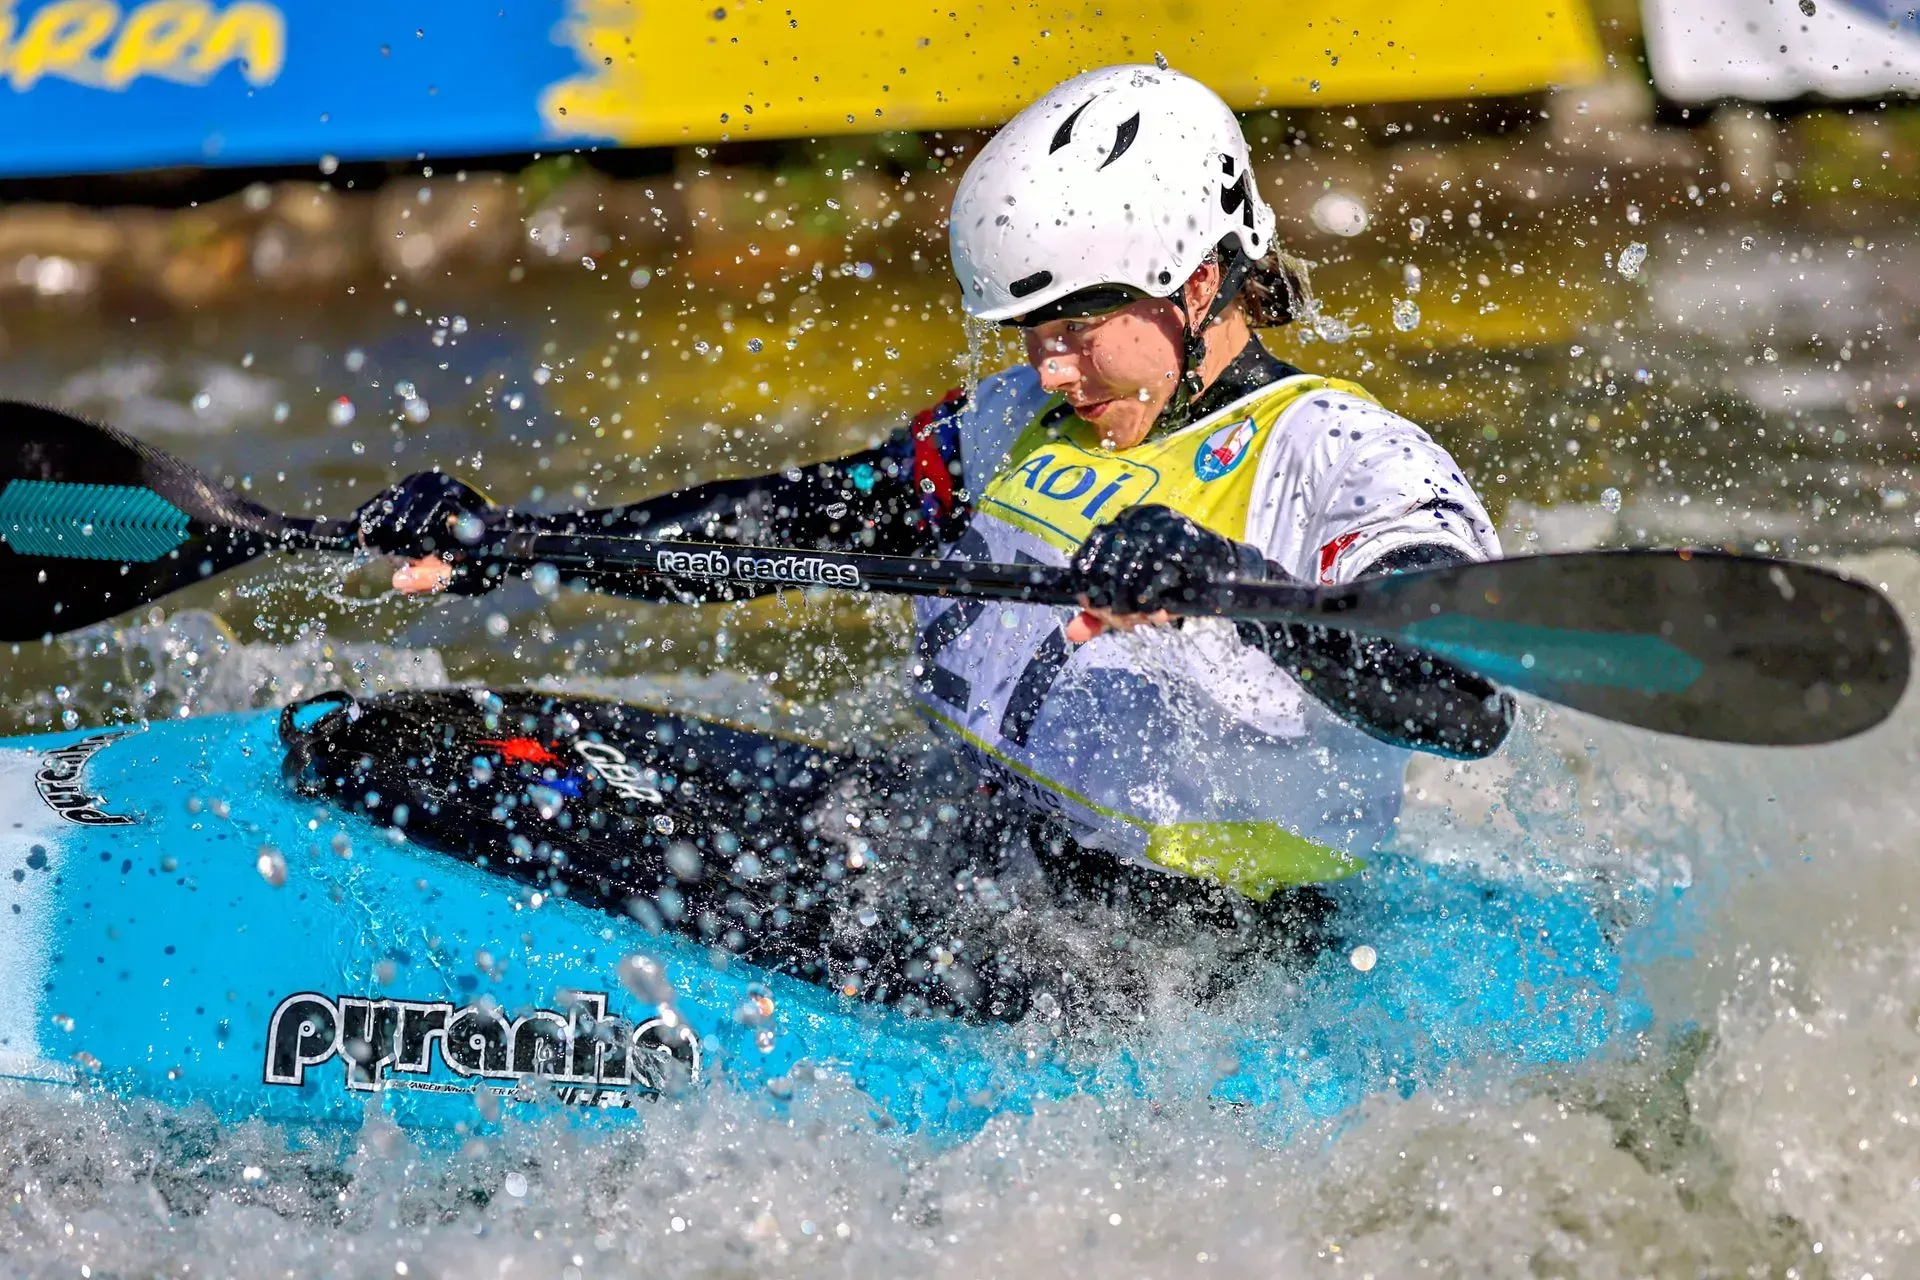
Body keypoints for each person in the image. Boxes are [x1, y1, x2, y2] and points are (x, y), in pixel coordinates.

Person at [353, 64, 1513, 1017]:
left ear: (1198, 281)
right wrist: (517, 539)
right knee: (445, 752)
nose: (1046, 370)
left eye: (1074, 330)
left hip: (1189, 954)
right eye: (1029, 333)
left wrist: (1230, 580)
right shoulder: (1013, 423)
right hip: (965, 836)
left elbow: (1465, 695)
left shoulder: (1346, 456)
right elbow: (792, 521)